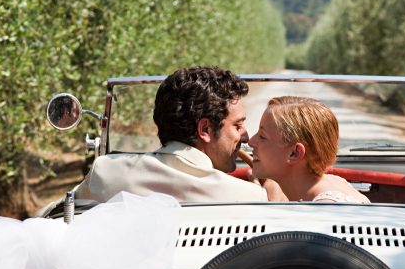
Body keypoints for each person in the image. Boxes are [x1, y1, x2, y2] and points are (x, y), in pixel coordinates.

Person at [77, 66, 267, 202]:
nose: (246, 137)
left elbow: (58, 215)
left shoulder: (104, 172)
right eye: (238, 125)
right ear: (205, 130)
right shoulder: (248, 196)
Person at [249, 96, 370, 203]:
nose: (251, 142)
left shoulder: (324, 208)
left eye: (262, 137)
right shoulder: (335, 182)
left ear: (294, 153)